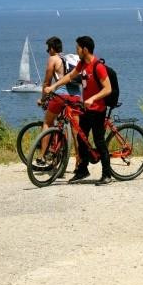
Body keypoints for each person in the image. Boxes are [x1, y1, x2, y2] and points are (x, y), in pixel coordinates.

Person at [45, 36, 113, 185]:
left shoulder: (98, 67)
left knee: (99, 142)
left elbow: (108, 89)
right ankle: (83, 170)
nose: (76, 50)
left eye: (77, 48)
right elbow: (69, 76)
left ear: (85, 49)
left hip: (98, 109)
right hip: (86, 109)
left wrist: (93, 99)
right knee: (82, 140)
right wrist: (53, 87)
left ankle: (107, 174)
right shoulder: (82, 64)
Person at [36, 37, 81, 172]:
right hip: (76, 96)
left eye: (47, 50)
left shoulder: (53, 59)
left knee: (48, 123)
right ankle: (79, 163)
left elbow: (46, 82)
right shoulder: (71, 59)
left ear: (51, 49)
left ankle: (42, 156)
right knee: (75, 130)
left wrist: (43, 100)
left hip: (60, 95)